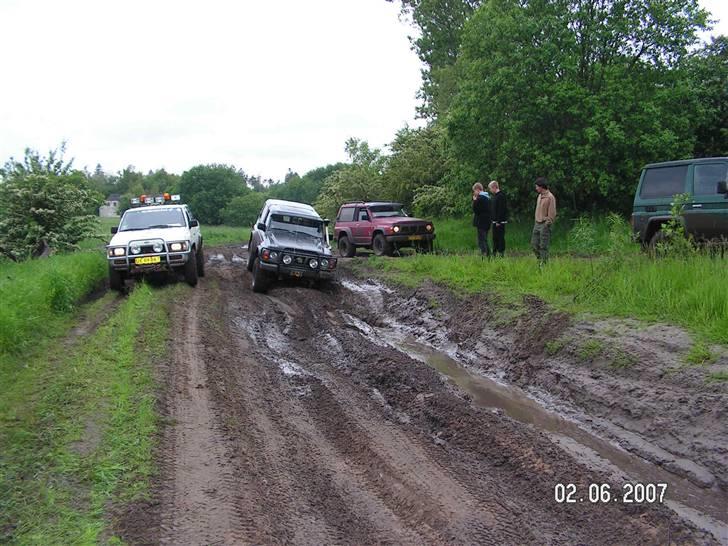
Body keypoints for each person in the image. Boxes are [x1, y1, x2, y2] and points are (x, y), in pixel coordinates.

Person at [531, 177, 556, 265]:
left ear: (542, 187)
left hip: (544, 224)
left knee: (543, 246)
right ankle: (539, 259)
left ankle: (544, 264)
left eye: (537, 186)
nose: (536, 188)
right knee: (534, 244)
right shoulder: (539, 196)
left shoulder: (550, 197)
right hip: (537, 223)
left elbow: (552, 213)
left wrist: (547, 224)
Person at [488, 180, 507, 257]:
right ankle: (495, 251)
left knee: (500, 237)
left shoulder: (501, 196)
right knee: (495, 237)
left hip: (500, 222)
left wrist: (499, 221)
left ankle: (501, 252)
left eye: (491, 188)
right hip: (495, 221)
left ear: (495, 187)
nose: (490, 190)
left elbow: (501, 209)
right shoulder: (495, 196)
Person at [472, 182, 491, 256]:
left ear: (477, 189)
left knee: (481, 240)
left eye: (474, 191)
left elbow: (476, 210)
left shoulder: (480, 198)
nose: (474, 192)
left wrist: (474, 201)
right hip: (487, 222)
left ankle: (484, 255)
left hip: (481, 222)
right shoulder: (488, 197)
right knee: (485, 239)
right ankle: (489, 255)